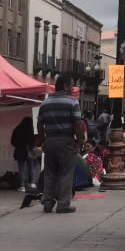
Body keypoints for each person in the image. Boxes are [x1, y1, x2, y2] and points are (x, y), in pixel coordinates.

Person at [35, 74, 85, 213]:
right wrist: (80, 140)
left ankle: (48, 203)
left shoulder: (45, 103)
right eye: (71, 85)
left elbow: (39, 124)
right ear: (65, 86)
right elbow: (77, 123)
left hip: (50, 140)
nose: (73, 88)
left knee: (50, 173)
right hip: (66, 140)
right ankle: (63, 204)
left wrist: (43, 140)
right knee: (66, 173)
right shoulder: (72, 102)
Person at [10, 115, 37, 196]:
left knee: (21, 169)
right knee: (31, 167)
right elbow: (33, 141)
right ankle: (32, 183)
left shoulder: (17, 129)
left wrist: (19, 146)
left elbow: (12, 141)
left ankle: (22, 186)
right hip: (29, 151)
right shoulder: (31, 130)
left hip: (19, 151)